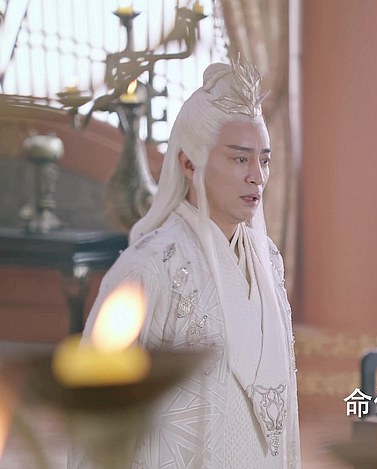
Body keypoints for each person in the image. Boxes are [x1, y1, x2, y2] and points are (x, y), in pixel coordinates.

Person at [71, 58, 300, 468]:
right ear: (188, 162)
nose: (257, 176)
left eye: (264, 160)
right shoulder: (149, 266)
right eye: (240, 159)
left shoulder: (269, 260)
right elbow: (99, 411)